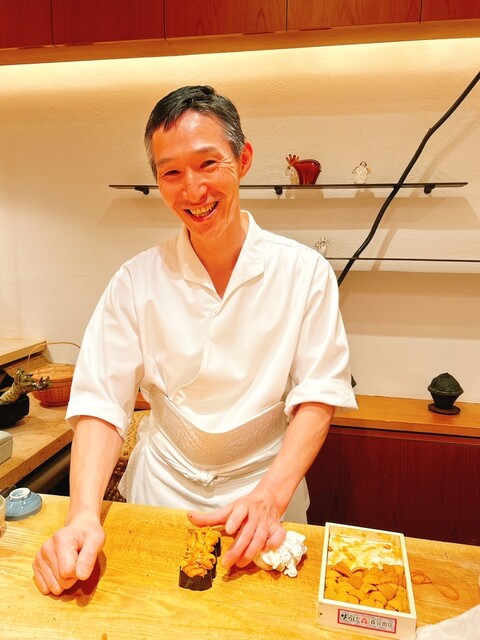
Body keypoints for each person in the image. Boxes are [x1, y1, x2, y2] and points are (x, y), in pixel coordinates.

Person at [33, 85, 357, 595]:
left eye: (208, 164)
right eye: (172, 173)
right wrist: (82, 515)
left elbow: (319, 393)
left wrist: (271, 496)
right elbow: (101, 402)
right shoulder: (136, 280)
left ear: (242, 160)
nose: (193, 190)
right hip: (161, 490)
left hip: (265, 492)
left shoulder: (304, 272)